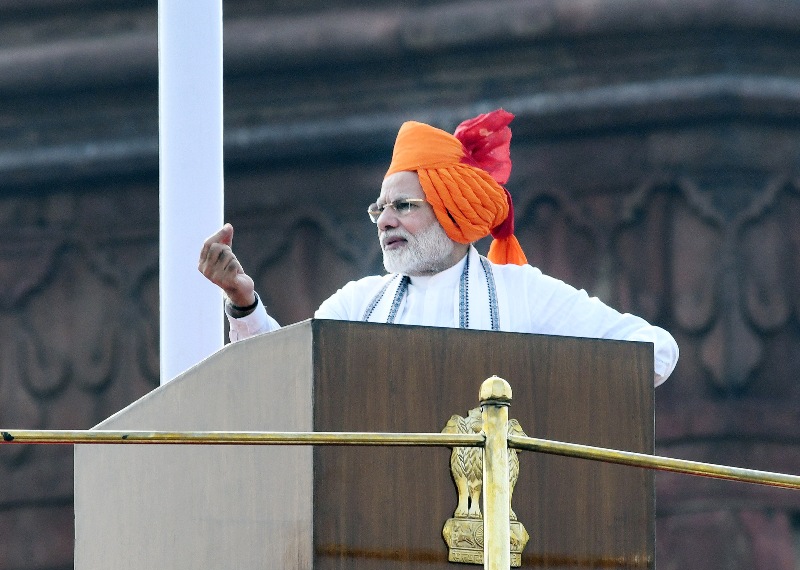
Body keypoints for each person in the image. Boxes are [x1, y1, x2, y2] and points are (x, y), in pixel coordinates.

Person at [199, 109, 678, 386]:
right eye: (378, 209)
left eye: (402, 205)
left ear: (451, 209)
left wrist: (539, 376)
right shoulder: (359, 304)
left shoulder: (522, 294)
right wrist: (243, 302)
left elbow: (657, 353)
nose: (385, 220)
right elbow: (284, 382)